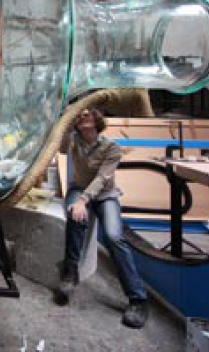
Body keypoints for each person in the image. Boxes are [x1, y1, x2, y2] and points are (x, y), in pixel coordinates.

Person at [57, 108, 149, 329]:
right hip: (79, 188)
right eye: (81, 114)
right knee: (75, 218)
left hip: (105, 195)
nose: (84, 115)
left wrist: (83, 201)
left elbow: (102, 179)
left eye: (88, 113)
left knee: (114, 236)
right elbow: (60, 148)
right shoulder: (74, 140)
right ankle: (70, 272)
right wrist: (68, 121)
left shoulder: (111, 148)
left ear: (97, 120)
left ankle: (137, 299)